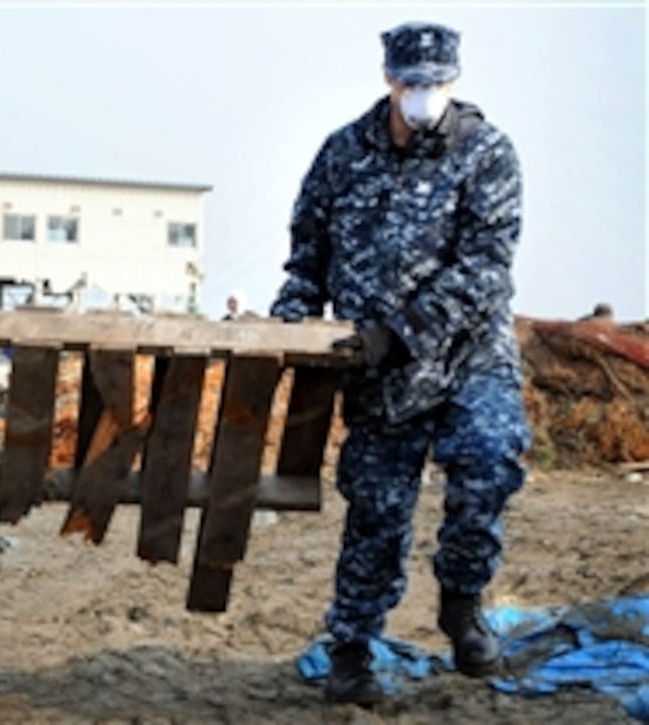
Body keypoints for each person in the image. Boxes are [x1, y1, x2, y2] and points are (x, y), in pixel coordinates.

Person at [269, 22, 530, 705]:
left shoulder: (488, 154)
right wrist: (289, 320)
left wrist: (403, 329)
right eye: (412, 82)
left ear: (455, 80)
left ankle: (462, 603)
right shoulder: (342, 154)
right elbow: (308, 256)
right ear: (388, 78)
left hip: (469, 356)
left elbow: (485, 271)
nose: (424, 95)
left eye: (437, 82)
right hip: (379, 374)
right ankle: (352, 650)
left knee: (491, 459)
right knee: (378, 509)